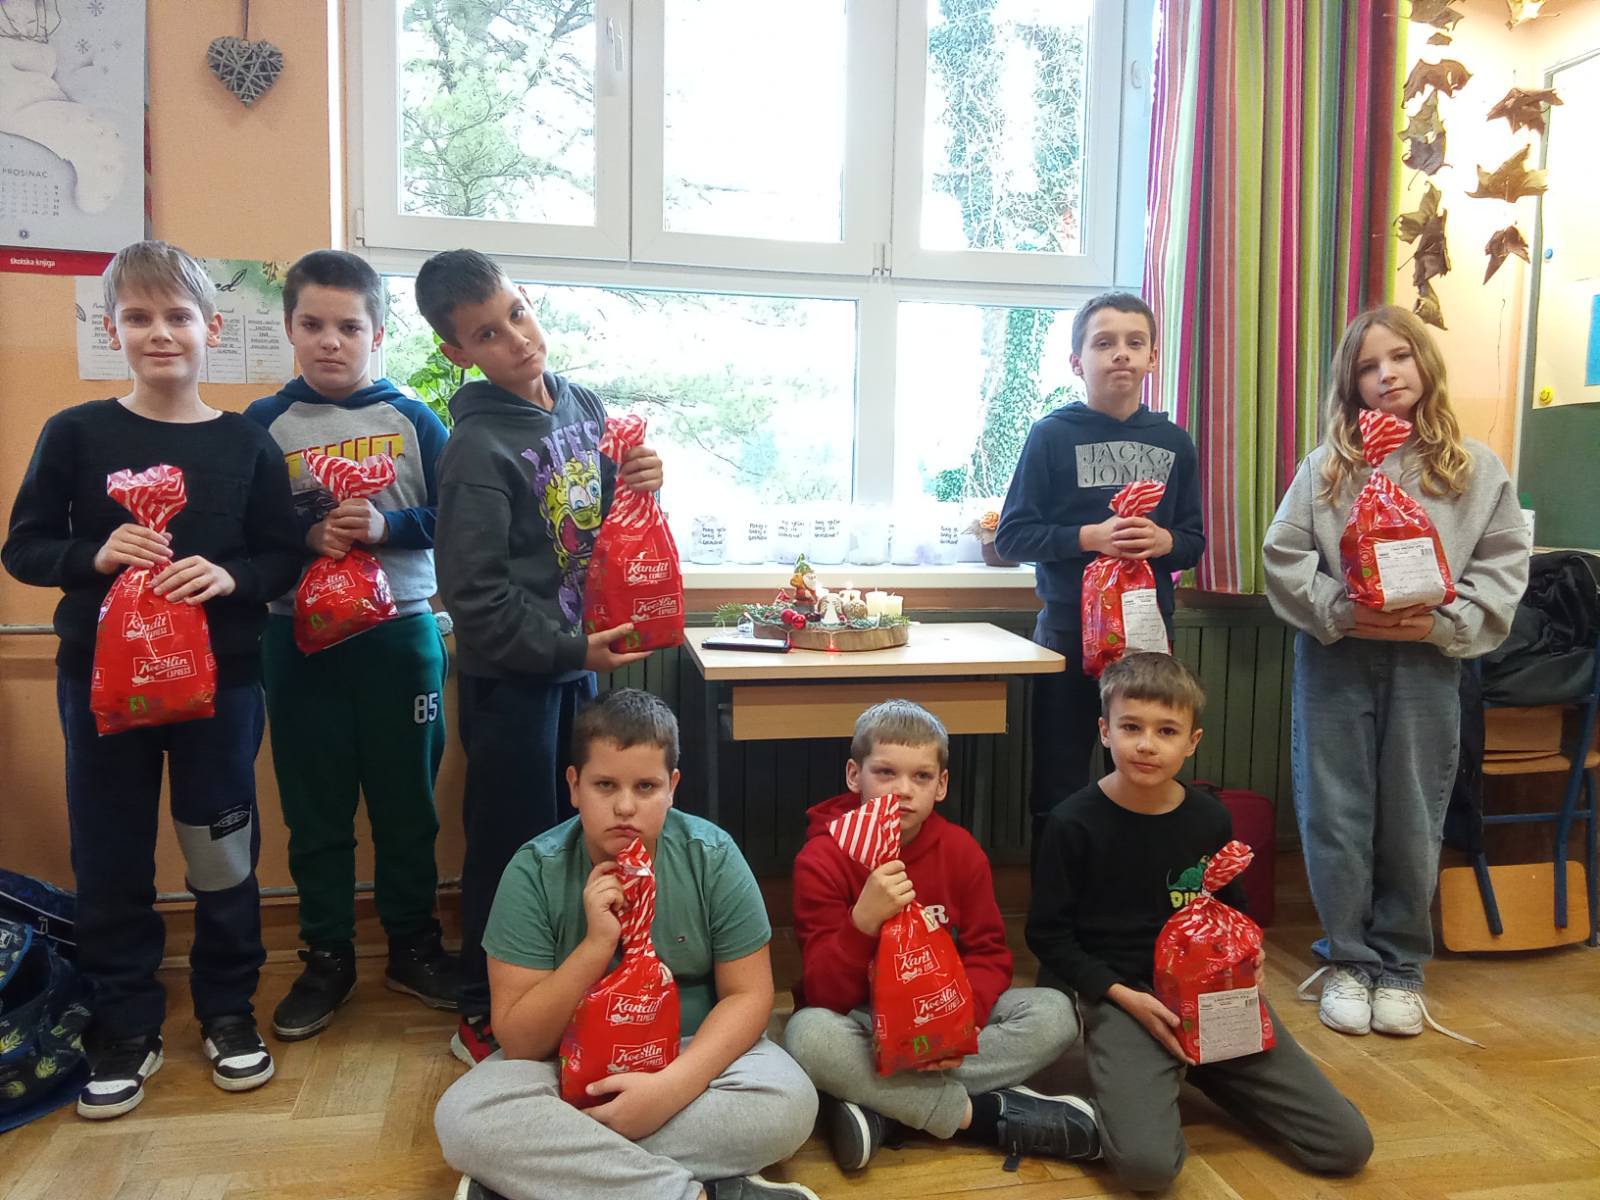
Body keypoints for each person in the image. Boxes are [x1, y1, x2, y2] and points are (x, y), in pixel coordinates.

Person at [2, 240, 303, 1118]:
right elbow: (24, 547)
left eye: (178, 316)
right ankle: (126, 1024)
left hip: (223, 686)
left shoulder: (247, 443)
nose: (160, 333)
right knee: (110, 851)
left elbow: (282, 556)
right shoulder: (75, 433)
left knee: (221, 850)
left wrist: (231, 577)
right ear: (112, 330)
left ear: (212, 327)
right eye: (139, 318)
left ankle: (227, 1010)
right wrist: (93, 555)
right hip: (101, 686)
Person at [417, 248, 665, 1064]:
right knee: (514, 846)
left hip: (580, 666)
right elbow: (474, 598)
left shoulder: (583, 404)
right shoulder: (475, 448)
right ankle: (483, 1010)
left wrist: (644, 479)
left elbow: (608, 523)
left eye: (517, 314)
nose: (517, 339)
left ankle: (563, 988)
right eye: (488, 334)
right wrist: (567, 646)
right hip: (516, 683)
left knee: (578, 836)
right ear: (457, 351)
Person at [433, 689, 820, 1200]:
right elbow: (521, 1041)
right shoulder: (533, 871)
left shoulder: (712, 856)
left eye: (646, 786)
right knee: (464, 1118)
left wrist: (670, 1089)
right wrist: (595, 946)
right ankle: (698, 1191)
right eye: (604, 785)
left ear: (672, 788)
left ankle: (556, 1177)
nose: (624, 806)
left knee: (789, 1104)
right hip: (565, 1066)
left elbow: (749, 996)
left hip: (690, 1051)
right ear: (574, 786)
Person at [1264, 305, 1530, 1039]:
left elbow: (1503, 568)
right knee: (1335, 810)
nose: (1387, 375)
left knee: (1413, 812)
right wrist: (1340, 610)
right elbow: (1284, 556)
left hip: (1427, 666)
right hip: (1335, 660)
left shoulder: (1476, 470)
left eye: (1400, 357)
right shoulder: (1327, 468)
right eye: (1368, 366)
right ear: (1350, 384)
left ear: (1425, 364)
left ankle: (1402, 967)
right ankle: (1348, 960)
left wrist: (1443, 623)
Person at [1027, 653, 1373, 1192]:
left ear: (1192, 742)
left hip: (1212, 994)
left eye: (1166, 731)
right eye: (1131, 727)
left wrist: (1249, 959)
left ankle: (1206, 1067)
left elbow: (1233, 908)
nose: (1147, 744)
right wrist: (1120, 996)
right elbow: (1049, 936)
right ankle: (1152, 1076)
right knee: (1147, 1169)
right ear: (1105, 731)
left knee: (1346, 1146)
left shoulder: (1209, 817)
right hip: (1126, 995)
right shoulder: (1072, 822)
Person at [244, 250, 457, 1041]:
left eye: (348, 326)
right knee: (315, 809)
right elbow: (246, 531)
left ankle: (413, 945)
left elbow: (458, 519)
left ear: (378, 334)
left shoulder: (415, 421)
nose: (330, 341)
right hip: (297, 640)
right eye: (313, 324)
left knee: (408, 805)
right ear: (290, 328)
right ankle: (327, 954)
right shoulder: (262, 425)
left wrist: (387, 524)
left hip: (400, 638)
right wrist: (307, 536)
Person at [783, 700, 1097, 1174]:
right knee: (806, 1037)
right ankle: (980, 1117)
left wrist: (955, 1030)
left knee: (1056, 1014)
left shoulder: (961, 852)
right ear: (854, 775)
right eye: (885, 773)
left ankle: (885, 1108)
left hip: (943, 1016)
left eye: (922, 777)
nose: (903, 791)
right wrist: (862, 922)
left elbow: (989, 955)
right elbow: (825, 993)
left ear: (942, 785)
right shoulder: (821, 859)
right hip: (858, 1022)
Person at [995, 292, 1204, 848]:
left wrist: (1164, 541)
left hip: (1146, 636)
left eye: (1135, 343)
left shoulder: (1174, 442)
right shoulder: (1051, 435)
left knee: (1145, 768)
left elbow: (1193, 542)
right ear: (1077, 361)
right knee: (1058, 775)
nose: (1121, 354)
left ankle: (1130, 889)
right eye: (1104, 343)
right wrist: (1090, 537)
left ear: (1153, 357)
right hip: (1067, 633)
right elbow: (1013, 536)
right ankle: (1056, 896)